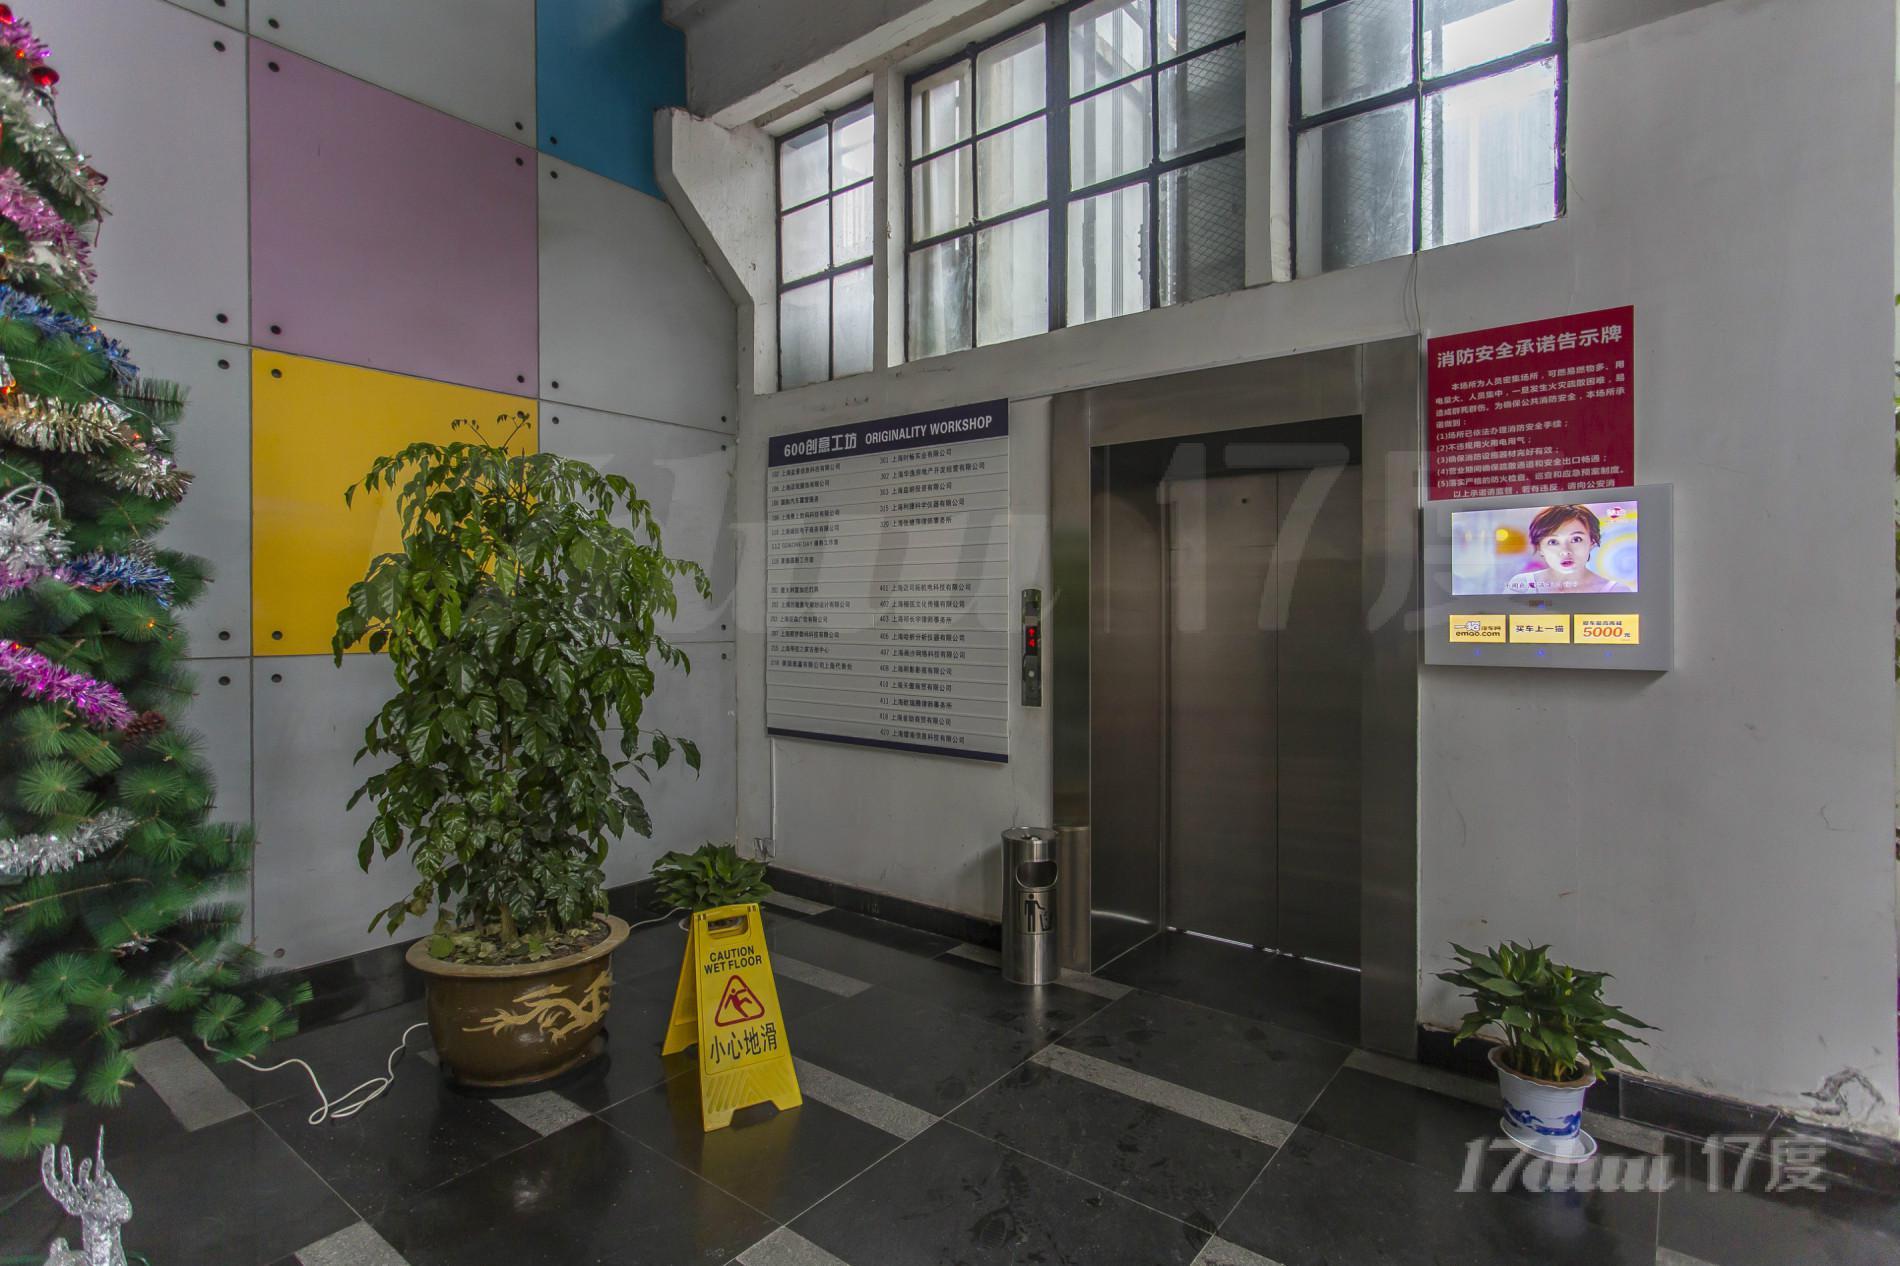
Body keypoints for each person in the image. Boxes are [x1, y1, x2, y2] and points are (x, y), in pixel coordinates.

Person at [1503, 504, 1631, 593]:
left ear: (1592, 541)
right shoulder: (1522, 585)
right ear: (1540, 547)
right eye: (1553, 542)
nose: (1565, 551)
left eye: (1576, 539)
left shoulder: (1616, 590)